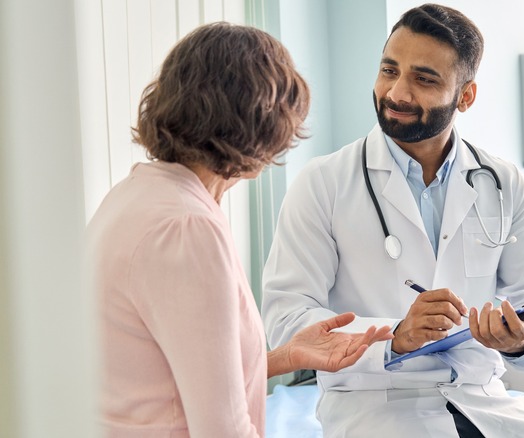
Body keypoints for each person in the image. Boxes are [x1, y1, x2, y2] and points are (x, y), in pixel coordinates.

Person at [261, 4, 524, 438]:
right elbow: (286, 317)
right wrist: (395, 336)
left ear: (465, 95)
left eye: (424, 79)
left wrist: (520, 338)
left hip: (481, 397)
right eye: (389, 70)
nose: (397, 93)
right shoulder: (323, 184)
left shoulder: (502, 183)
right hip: (375, 404)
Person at [86, 22, 392, 437]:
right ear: (263, 123)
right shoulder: (187, 228)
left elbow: (176, 376)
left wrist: (286, 356)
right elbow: (222, 428)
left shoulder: (134, 194)